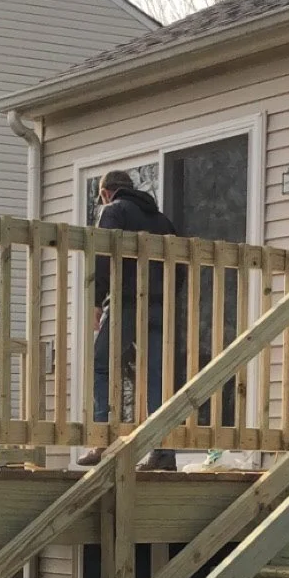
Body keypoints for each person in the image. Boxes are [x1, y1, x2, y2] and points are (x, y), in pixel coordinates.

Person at [80, 170, 180, 469]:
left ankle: (102, 441)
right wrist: (169, 297)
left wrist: (98, 300)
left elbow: (102, 254)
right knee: (156, 377)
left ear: (107, 193)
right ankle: (163, 452)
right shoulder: (163, 222)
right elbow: (181, 267)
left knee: (102, 366)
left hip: (125, 302)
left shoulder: (115, 211)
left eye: (100, 197)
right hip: (160, 305)